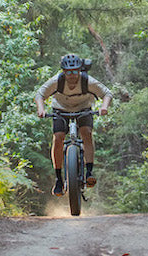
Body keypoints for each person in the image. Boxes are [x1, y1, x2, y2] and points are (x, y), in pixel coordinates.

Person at [35, 53, 112, 196]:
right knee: (58, 138)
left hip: (83, 109)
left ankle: (89, 172)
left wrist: (104, 107)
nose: (72, 75)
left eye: (75, 71)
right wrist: (41, 109)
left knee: (86, 133)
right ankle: (59, 179)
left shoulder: (87, 81)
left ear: (80, 70)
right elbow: (40, 94)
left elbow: (106, 93)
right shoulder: (56, 81)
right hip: (60, 109)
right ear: (63, 71)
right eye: (68, 72)